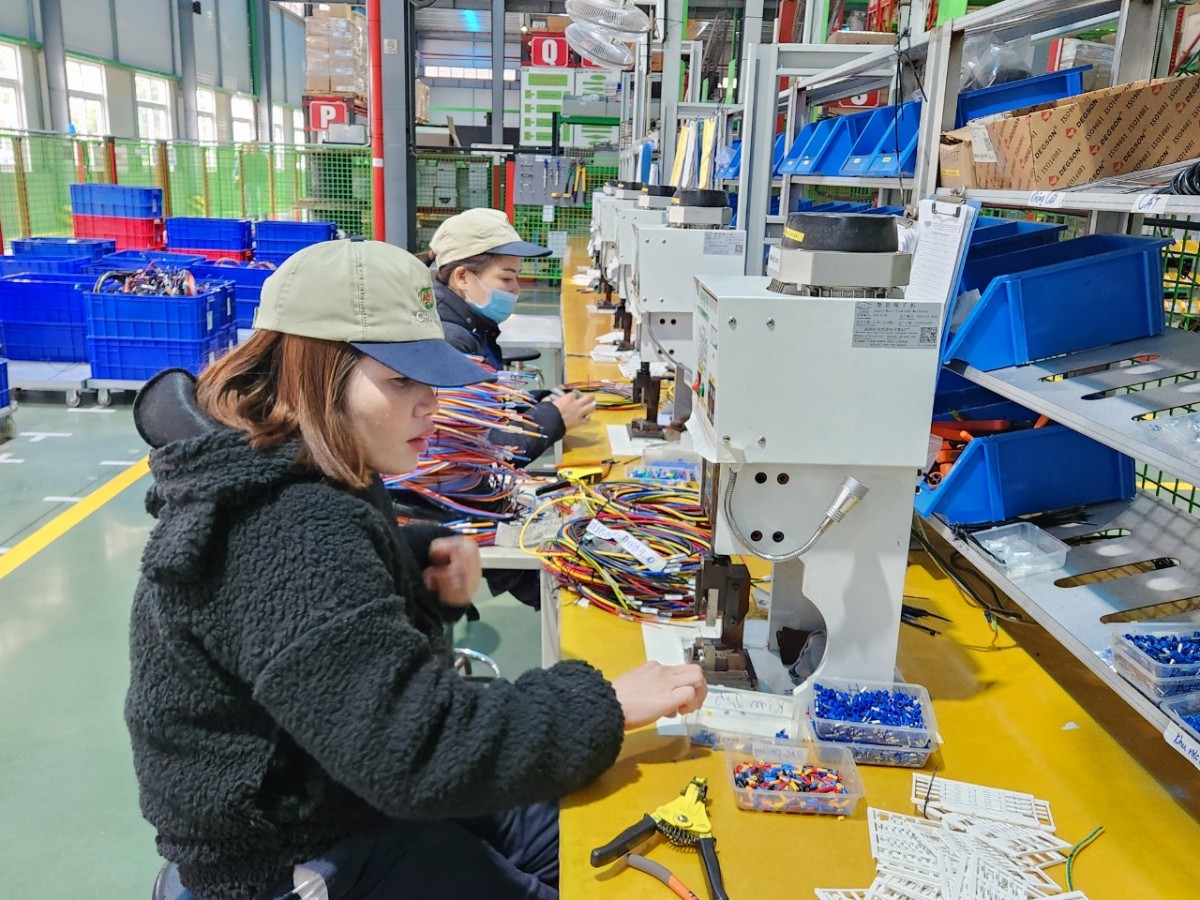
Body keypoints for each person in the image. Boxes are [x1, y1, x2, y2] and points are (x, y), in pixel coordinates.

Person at [125, 239, 708, 900]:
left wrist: (412, 570)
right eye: (401, 381)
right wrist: (605, 705)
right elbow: (416, 752)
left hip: (340, 783)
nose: (430, 403)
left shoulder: (307, 461)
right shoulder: (287, 522)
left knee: (578, 823)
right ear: (315, 375)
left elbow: (303, 638)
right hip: (290, 853)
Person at [421, 207, 595, 465]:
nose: (516, 289)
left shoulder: (471, 326)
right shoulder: (450, 341)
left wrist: (533, 403)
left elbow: (483, 412)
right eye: (506, 278)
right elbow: (484, 450)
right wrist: (553, 418)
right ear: (462, 277)